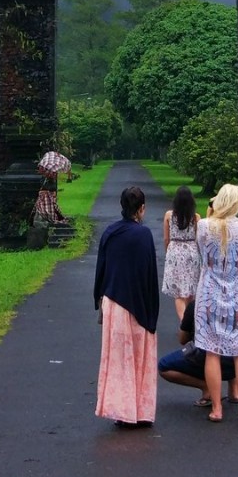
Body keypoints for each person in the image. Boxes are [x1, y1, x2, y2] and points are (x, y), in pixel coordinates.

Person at [93, 183, 160, 426]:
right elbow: (149, 273)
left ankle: (122, 411)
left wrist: (99, 298)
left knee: (119, 358)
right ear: (141, 209)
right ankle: (141, 411)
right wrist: (152, 309)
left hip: (114, 301)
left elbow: (102, 269)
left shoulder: (110, 232)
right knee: (140, 356)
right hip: (138, 302)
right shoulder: (144, 235)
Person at [195, 183, 238, 423]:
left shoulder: (203, 226)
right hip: (237, 292)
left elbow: (203, 254)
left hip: (209, 292)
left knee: (212, 351)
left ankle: (216, 408)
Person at [158, 297, 236, 397]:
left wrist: (187, 323)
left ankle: (207, 387)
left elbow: (182, 339)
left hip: (209, 359)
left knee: (163, 366)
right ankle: (235, 391)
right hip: (234, 366)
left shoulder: (197, 305)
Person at [161, 184, 201, 328]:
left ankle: (185, 323)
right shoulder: (196, 217)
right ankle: (191, 322)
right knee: (191, 291)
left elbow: (166, 238)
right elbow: (198, 238)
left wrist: (168, 252)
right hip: (191, 251)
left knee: (178, 293)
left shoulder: (169, 215)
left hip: (175, 251)